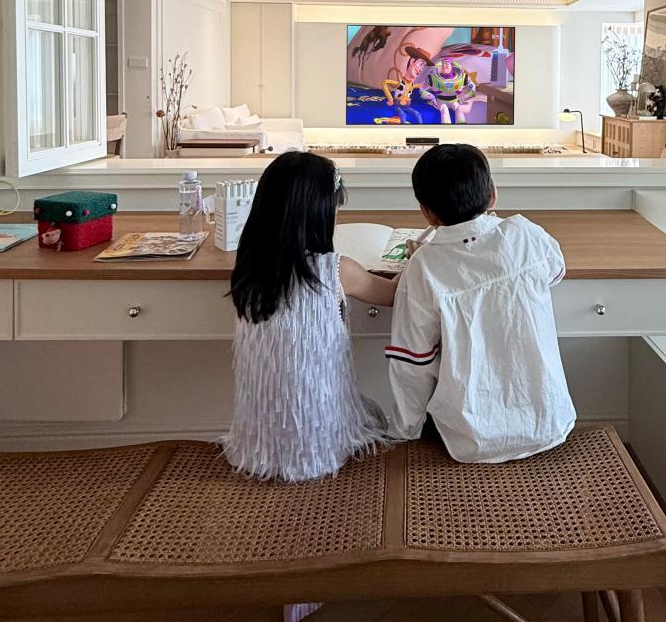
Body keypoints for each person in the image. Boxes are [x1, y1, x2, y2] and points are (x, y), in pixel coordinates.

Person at [385, 144, 576, 462]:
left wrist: (406, 431)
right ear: (493, 195)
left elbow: (411, 362)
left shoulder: (424, 267)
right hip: (550, 421)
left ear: (427, 213)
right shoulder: (525, 233)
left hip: (471, 439)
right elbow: (556, 272)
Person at [225, 150, 397, 482]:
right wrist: (418, 258)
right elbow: (391, 294)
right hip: (321, 441)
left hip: (258, 446)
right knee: (376, 416)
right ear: (321, 213)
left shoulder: (249, 270)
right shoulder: (336, 270)